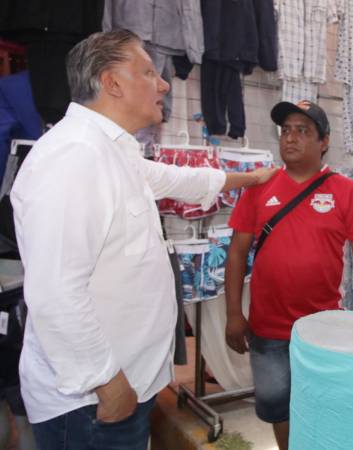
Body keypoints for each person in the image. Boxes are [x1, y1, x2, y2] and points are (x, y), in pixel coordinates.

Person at [10, 29, 277, 450]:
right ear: (112, 83)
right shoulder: (74, 157)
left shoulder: (115, 151)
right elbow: (56, 293)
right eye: (149, 72)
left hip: (123, 389)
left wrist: (248, 178)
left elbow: (175, 178)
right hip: (92, 404)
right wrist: (107, 383)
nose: (165, 84)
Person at [225, 100, 353, 450]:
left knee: (325, 408)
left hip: (325, 331)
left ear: (324, 141)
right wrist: (234, 313)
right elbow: (236, 253)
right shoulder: (258, 188)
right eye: (286, 130)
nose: (291, 138)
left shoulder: (346, 191)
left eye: (303, 131)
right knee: (280, 409)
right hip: (268, 330)